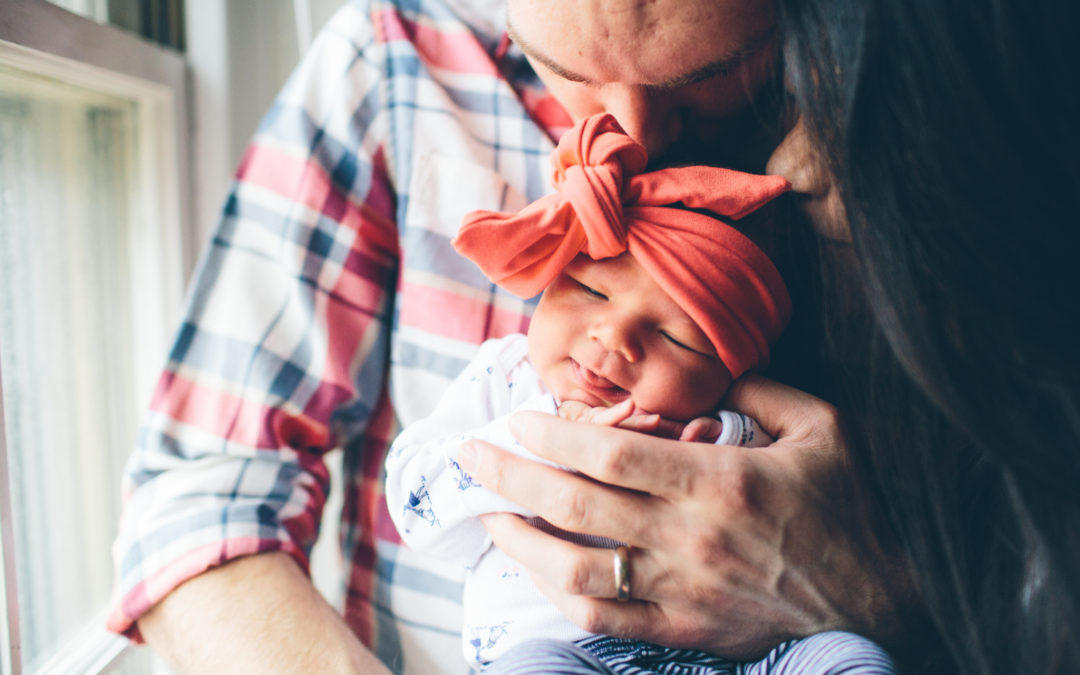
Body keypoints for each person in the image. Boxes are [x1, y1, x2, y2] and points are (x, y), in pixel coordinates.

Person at [109, 0, 915, 673]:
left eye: (703, 80)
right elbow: (197, 506)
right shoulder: (395, 62)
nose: (631, 133)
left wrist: (876, 585)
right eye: (564, 69)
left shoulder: (914, 112)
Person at [384, 113, 894, 674]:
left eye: (678, 337)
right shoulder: (508, 378)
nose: (614, 335)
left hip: (742, 656)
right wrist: (530, 441)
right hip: (562, 651)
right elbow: (415, 511)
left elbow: (772, 484)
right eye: (587, 289)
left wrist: (720, 439)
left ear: (732, 375)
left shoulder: (726, 414)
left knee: (851, 659)